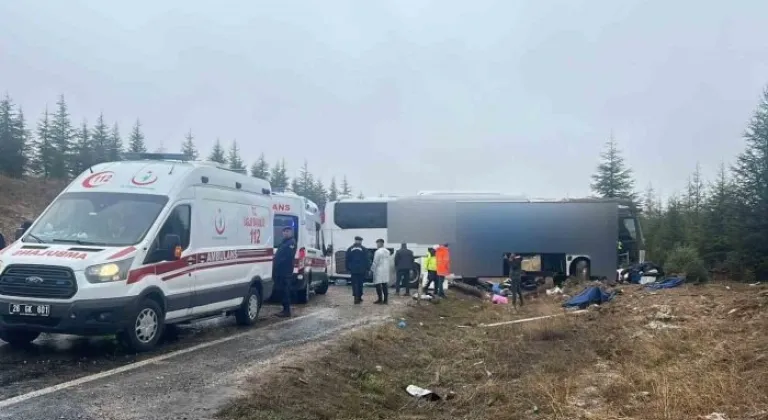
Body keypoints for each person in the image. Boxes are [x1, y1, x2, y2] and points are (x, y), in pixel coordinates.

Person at [273, 227, 296, 317]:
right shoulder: (284, 242)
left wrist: (278, 263)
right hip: (280, 270)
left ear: (291, 233)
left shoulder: (291, 243)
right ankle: (284, 309)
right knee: (282, 289)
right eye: (284, 232)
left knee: (285, 290)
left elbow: (287, 257)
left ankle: (286, 311)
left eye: (287, 232)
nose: (286, 233)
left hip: (286, 270)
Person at [345, 236, 370, 304]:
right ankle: (359, 297)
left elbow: (347, 259)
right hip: (361, 270)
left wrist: (347, 268)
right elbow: (367, 259)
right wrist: (368, 268)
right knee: (360, 283)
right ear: (360, 241)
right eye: (360, 241)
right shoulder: (364, 249)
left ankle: (356, 297)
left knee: (354, 284)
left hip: (353, 270)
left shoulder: (350, 249)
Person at [371, 238, 391, 304]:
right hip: (386, 270)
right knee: (385, 285)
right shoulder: (388, 251)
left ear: (380, 243)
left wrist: (372, 269)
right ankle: (385, 300)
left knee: (378, 285)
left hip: (379, 270)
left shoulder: (378, 252)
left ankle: (380, 299)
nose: (377, 245)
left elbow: (375, 262)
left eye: (377, 243)